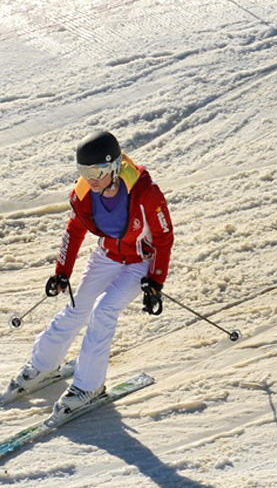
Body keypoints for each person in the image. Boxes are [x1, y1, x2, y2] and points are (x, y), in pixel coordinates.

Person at [12, 130, 174, 419]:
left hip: (140, 262)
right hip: (107, 255)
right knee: (76, 307)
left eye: (97, 170)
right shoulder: (85, 193)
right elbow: (74, 231)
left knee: (103, 312)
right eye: (84, 171)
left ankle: (89, 386)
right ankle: (43, 365)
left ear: (113, 166)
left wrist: (156, 280)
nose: (92, 178)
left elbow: (163, 237)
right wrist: (62, 273)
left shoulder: (145, 193)